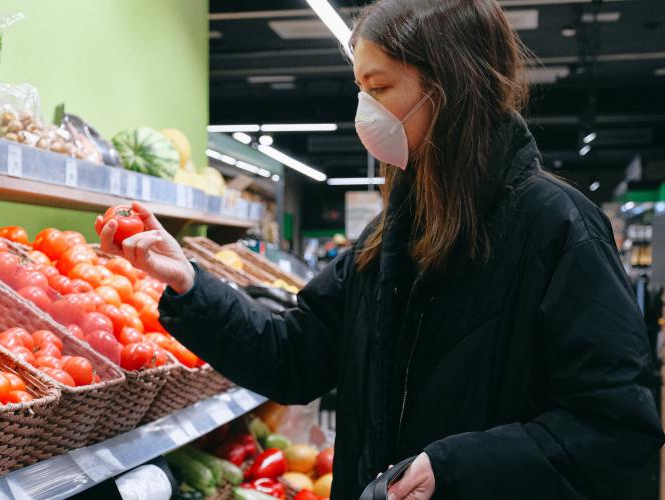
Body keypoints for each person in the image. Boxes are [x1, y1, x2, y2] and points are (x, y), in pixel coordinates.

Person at [98, 0, 664, 498]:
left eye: (380, 87)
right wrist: (188, 284)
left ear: (449, 88)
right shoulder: (394, 234)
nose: (362, 111)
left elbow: (615, 430)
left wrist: (454, 468)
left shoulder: (558, 228)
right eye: (360, 88)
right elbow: (296, 357)